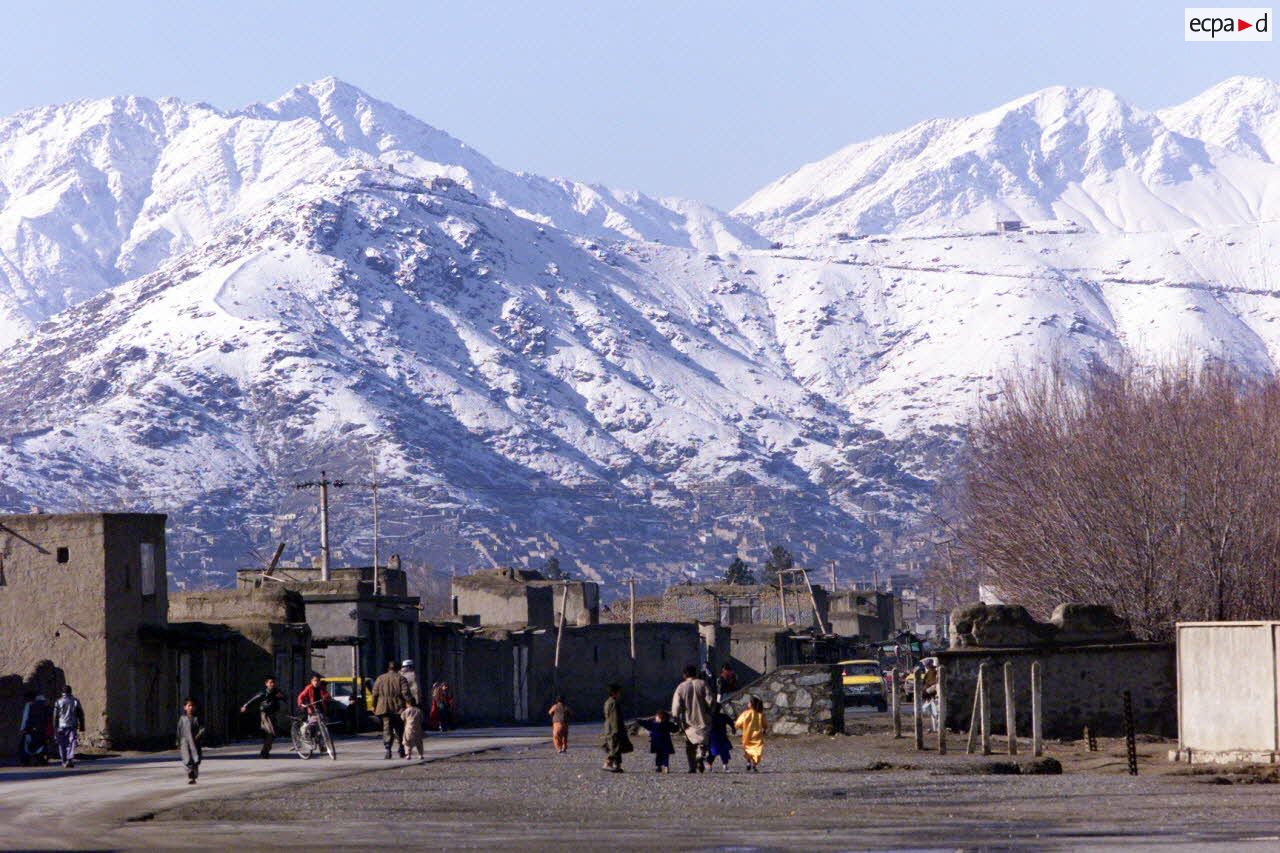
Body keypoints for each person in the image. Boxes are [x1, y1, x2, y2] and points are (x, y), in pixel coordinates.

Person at [671, 664, 712, 773]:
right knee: (703, 742)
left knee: (689, 744)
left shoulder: (681, 687)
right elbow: (710, 700)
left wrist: (675, 717)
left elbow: (676, 705)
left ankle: (692, 766)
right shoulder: (703, 684)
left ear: (685, 675)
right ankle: (700, 755)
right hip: (703, 718)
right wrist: (710, 712)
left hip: (688, 720)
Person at [240, 675, 286, 758]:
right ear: (266, 684)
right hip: (265, 714)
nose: (272, 684)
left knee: (271, 734)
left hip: (273, 714)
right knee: (271, 733)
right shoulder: (263, 693)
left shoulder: (277, 692)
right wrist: (245, 706)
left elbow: (285, 698)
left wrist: (282, 697)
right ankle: (264, 751)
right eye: (270, 682)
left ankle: (265, 752)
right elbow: (253, 699)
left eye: (273, 682)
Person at [372, 660, 410, 759]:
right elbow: (405, 693)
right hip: (398, 707)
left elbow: (375, 694)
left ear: (388, 668)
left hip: (383, 707)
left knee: (386, 728)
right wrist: (411, 702)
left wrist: (374, 706)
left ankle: (388, 749)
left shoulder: (380, 678)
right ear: (398, 669)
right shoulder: (401, 678)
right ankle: (401, 748)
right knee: (400, 728)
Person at [600, 683, 631, 773]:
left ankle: (617, 766)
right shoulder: (613, 703)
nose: (620, 694)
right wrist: (617, 730)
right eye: (619, 692)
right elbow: (615, 718)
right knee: (615, 747)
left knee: (616, 747)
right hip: (614, 729)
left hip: (609, 727)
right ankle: (608, 763)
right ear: (614, 693)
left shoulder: (608, 702)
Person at [635, 709, 678, 773]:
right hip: (666, 742)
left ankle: (659, 767)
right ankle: (666, 766)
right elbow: (675, 729)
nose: (655, 718)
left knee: (658, 755)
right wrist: (677, 723)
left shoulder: (654, 724)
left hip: (656, 743)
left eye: (656, 717)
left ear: (660, 718)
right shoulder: (667, 724)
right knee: (665, 755)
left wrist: (638, 721)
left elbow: (645, 724)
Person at [53, 685, 85, 768]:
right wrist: (82, 725)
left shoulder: (58, 702)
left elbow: (55, 716)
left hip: (61, 726)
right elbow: (80, 714)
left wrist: (54, 727)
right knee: (71, 742)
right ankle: (69, 759)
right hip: (72, 725)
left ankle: (63, 760)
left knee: (62, 743)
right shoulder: (75, 701)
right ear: (70, 692)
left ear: (62, 693)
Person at [734, 696, 767, 772]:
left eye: (749, 702)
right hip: (757, 737)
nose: (748, 703)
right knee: (757, 750)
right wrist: (765, 729)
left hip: (747, 735)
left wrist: (736, 728)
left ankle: (748, 762)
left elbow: (738, 723)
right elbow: (765, 724)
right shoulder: (760, 714)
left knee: (747, 749)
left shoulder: (745, 713)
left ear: (751, 704)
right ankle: (754, 765)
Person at [18, 692, 51, 766]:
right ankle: (41, 760)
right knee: (41, 744)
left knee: (26, 745)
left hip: (30, 728)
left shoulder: (29, 705)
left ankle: (26, 761)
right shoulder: (45, 705)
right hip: (42, 729)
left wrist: (22, 729)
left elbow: (25, 718)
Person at [177, 698, 204, 784]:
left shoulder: (196, 718)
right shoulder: (182, 719)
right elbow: (179, 730)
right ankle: (190, 772)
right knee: (186, 758)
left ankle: (194, 776)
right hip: (184, 741)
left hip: (194, 742)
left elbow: (202, 728)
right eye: (188, 706)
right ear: (185, 707)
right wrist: (178, 741)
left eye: (192, 706)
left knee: (195, 758)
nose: (190, 708)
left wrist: (198, 736)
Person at [706, 701, 735, 772]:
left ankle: (710, 765)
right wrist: (733, 729)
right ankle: (725, 765)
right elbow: (731, 722)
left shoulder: (709, 717)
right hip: (721, 736)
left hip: (713, 737)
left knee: (712, 752)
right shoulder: (723, 716)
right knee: (724, 751)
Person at [401, 696, 425, 760]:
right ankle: (420, 754)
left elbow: (402, 718)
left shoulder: (406, 711)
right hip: (417, 728)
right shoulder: (418, 710)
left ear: (407, 704)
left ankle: (408, 754)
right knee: (419, 742)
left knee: (407, 742)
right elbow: (422, 718)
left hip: (408, 728)